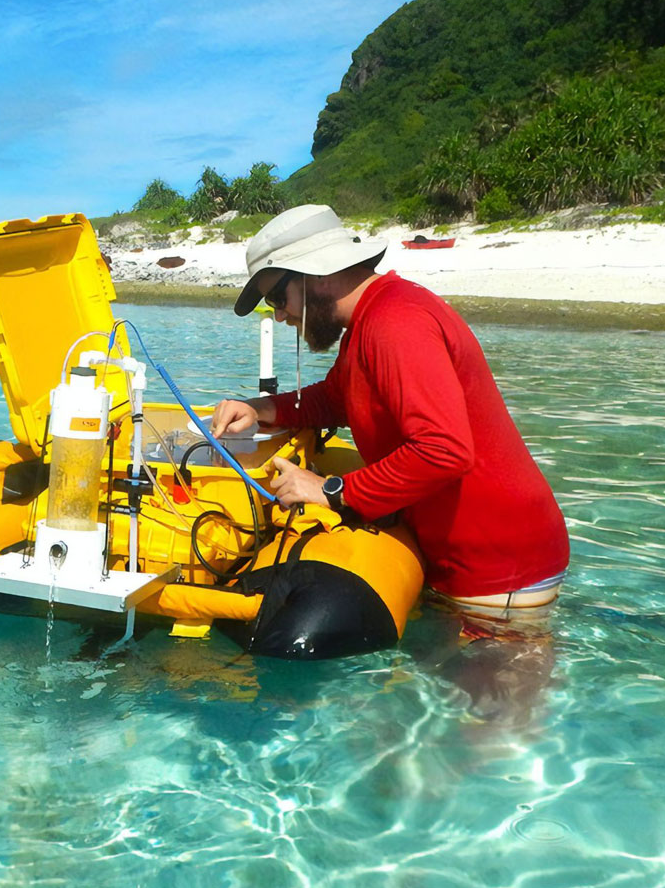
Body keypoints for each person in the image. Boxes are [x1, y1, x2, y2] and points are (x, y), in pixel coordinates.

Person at [210, 204, 570, 638]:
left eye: (277, 299)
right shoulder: (371, 320)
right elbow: (337, 397)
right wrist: (261, 409)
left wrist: (330, 491)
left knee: (495, 706)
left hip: (499, 569)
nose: (280, 316)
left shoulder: (396, 323)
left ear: (314, 275)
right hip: (470, 561)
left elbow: (445, 450)